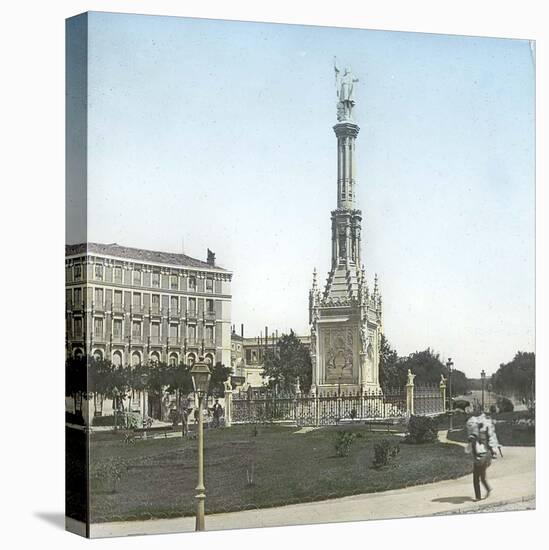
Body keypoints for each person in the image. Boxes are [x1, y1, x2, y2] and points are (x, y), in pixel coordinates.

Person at [468, 413, 498, 501]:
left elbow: (473, 448)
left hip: (480, 458)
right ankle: (487, 489)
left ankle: (478, 496)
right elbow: (491, 442)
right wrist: (492, 452)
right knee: (481, 477)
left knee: (476, 478)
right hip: (485, 456)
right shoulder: (485, 434)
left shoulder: (475, 436)